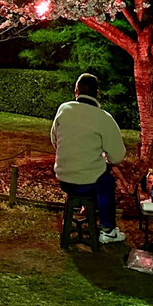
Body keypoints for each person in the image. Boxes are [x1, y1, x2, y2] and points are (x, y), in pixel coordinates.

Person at [50, 73, 128, 244]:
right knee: (106, 182)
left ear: (76, 90)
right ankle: (108, 229)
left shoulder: (64, 109)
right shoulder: (103, 118)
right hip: (88, 182)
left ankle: (82, 212)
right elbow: (117, 156)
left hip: (64, 178)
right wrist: (104, 158)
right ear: (97, 93)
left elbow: (55, 140)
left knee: (94, 175)